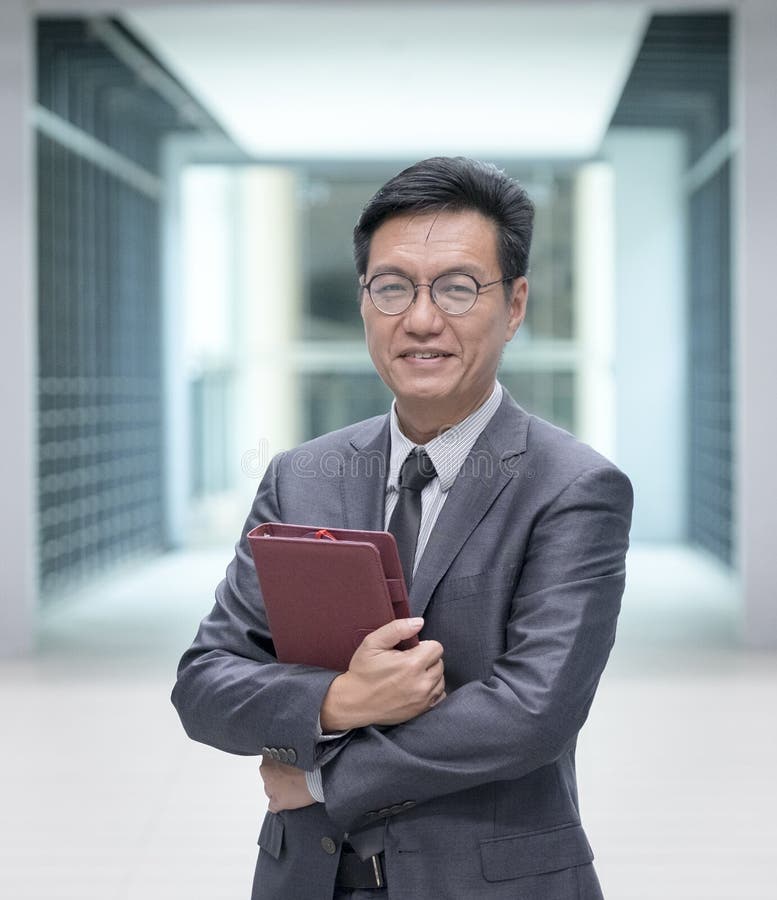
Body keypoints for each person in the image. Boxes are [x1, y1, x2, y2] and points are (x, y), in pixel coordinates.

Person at [172, 156, 633, 900]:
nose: (421, 319)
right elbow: (206, 682)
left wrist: (322, 774)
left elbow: (530, 713)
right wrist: (336, 703)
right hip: (306, 880)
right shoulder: (301, 476)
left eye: (457, 287)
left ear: (514, 305)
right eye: (392, 288)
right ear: (364, 303)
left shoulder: (573, 488)